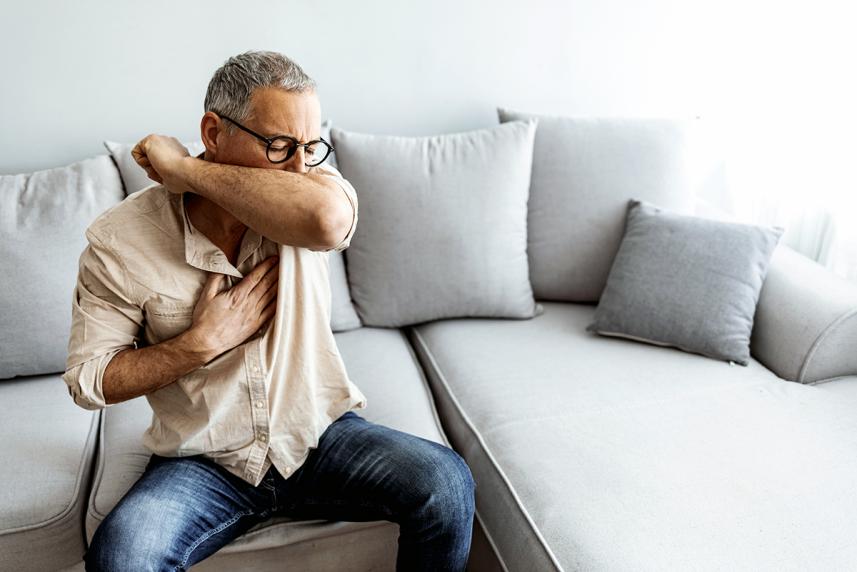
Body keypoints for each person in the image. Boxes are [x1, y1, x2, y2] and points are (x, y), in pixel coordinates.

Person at [62, 50, 475, 571]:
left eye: (310, 147)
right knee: (124, 555)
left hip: (318, 437)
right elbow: (90, 380)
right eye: (279, 147)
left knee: (444, 482)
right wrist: (199, 344)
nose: (301, 167)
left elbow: (324, 219)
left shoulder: (314, 193)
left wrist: (184, 169)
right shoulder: (120, 240)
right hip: (203, 460)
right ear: (213, 132)